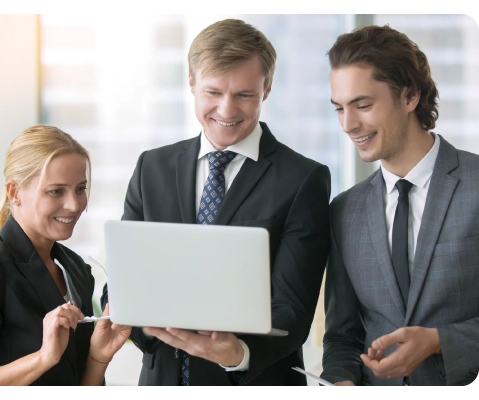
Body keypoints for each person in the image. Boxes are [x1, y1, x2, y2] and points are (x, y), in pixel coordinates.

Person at [102, 19, 330, 388]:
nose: (227, 110)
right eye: (213, 92)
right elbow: (123, 282)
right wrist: (135, 318)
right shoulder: (152, 168)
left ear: (267, 88)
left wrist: (238, 352)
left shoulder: (303, 179)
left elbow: (292, 307)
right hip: (162, 384)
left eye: (244, 94)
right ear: (191, 82)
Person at [321, 25, 479, 386]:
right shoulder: (345, 211)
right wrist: (340, 381)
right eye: (339, 109)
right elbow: (342, 336)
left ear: (409, 97)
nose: (348, 124)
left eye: (362, 105)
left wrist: (440, 341)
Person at [0, 125, 131, 386]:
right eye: (56, 191)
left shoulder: (76, 270)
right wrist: (43, 358)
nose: (74, 205)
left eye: (80, 189)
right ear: (14, 192)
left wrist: (97, 357)